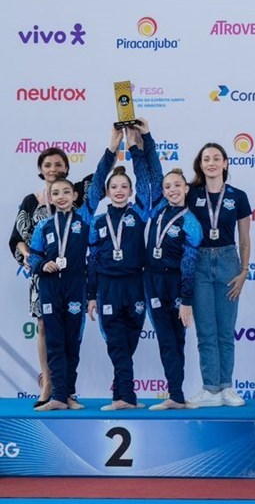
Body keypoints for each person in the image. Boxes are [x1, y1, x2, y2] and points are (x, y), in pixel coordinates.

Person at [27, 137, 116, 412]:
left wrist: (112, 149)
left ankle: (68, 395)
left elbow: (97, 184)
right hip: (50, 288)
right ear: (50, 198)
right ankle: (56, 396)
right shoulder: (43, 226)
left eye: (66, 192)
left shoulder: (85, 220)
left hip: (76, 286)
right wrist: (43, 265)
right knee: (54, 341)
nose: (62, 197)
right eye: (56, 193)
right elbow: (33, 257)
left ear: (75, 196)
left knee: (71, 342)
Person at [10, 146, 95, 406]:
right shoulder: (31, 201)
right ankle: (48, 383)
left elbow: (101, 178)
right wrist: (33, 260)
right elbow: (17, 239)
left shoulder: (76, 198)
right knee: (44, 328)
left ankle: (66, 390)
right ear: (40, 169)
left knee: (70, 333)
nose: (53, 169)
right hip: (42, 277)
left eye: (58, 164)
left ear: (67, 169)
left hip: (73, 280)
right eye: (47, 165)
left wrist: (116, 145)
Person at [87, 123, 160, 411]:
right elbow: (92, 260)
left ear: (130, 191)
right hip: (107, 286)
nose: (119, 191)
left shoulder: (139, 212)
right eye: (114, 187)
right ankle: (125, 397)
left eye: (123, 187)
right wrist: (91, 295)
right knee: (117, 344)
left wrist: (133, 147)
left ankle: (122, 395)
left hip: (135, 285)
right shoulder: (97, 220)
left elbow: (146, 180)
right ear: (107, 191)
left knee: (128, 343)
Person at [133, 130, 203, 411]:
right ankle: (176, 394)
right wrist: (143, 141)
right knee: (165, 340)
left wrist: (186, 300)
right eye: (167, 187)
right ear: (163, 192)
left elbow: (190, 264)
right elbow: (149, 174)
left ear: (186, 188)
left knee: (177, 339)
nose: (172, 190)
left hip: (176, 284)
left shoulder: (191, 222)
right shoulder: (158, 209)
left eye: (177, 185)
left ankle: (176, 395)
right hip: (151, 281)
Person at [186, 142, 251, 407]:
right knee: (206, 332)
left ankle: (227, 387)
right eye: (206, 159)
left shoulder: (239, 196)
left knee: (225, 331)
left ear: (225, 163)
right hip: (199, 262)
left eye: (216, 158)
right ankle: (210, 389)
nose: (211, 163)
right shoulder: (191, 194)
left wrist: (244, 271)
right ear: (200, 165)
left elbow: (244, 239)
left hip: (228, 262)